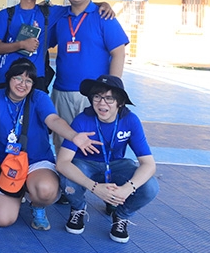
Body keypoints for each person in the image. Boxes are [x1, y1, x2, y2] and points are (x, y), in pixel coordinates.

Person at [0, 58, 100, 231]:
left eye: (28, 80)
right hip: (7, 165)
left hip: (36, 162)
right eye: (18, 78)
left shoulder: (39, 97)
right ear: (9, 78)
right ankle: (18, 191)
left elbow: (53, 120)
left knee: (45, 190)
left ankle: (37, 205)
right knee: (2, 219)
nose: (22, 84)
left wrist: (74, 136)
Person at [56, 75, 158, 244]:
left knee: (150, 186)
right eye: (97, 97)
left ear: (120, 102)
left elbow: (149, 164)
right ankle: (78, 208)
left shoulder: (130, 120)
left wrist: (127, 189)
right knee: (67, 178)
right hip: (86, 165)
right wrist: (94, 187)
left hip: (117, 166)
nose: (102, 103)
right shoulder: (82, 119)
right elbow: (62, 163)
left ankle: (121, 215)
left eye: (109, 98)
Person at [50, 0, 129, 150]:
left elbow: (119, 53)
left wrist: (111, 90)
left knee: (94, 142)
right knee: (63, 143)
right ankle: (64, 169)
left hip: (94, 94)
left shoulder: (104, 17)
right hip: (62, 91)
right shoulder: (59, 17)